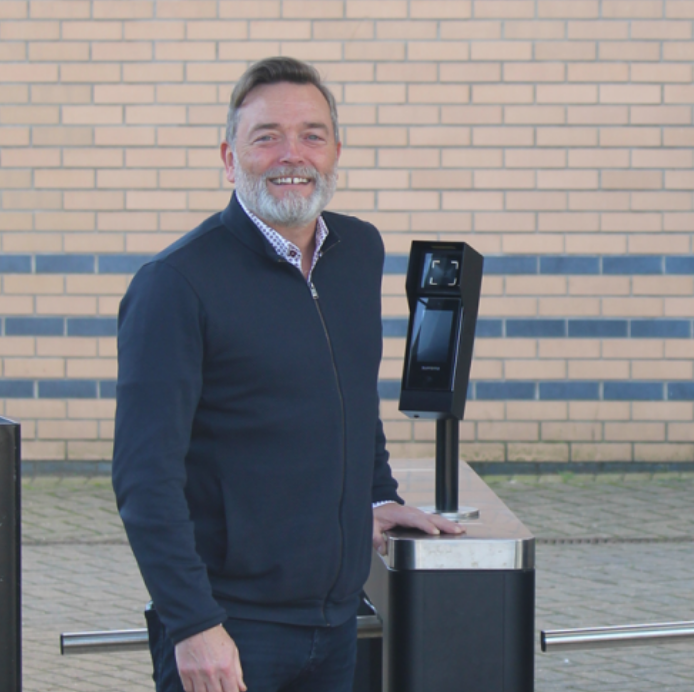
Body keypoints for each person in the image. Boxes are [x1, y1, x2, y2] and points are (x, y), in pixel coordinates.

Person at [113, 57, 463, 692]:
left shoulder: (358, 251)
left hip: (337, 619)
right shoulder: (175, 285)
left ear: (335, 153)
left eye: (311, 135)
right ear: (230, 159)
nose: (291, 154)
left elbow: (352, 395)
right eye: (266, 136)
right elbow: (144, 479)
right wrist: (193, 624)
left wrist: (376, 496)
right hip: (230, 626)